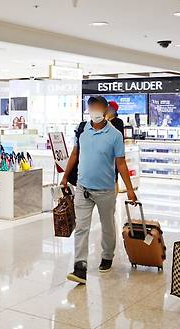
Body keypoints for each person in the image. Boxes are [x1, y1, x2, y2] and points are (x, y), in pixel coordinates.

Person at [61, 96, 137, 284]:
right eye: (90, 107)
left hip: (105, 189)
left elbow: (120, 163)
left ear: (105, 110)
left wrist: (129, 189)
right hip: (82, 187)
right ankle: (80, 267)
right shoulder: (82, 130)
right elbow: (75, 153)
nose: (93, 110)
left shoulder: (115, 135)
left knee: (107, 225)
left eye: (97, 107)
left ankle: (107, 255)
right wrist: (65, 176)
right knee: (81, 227)